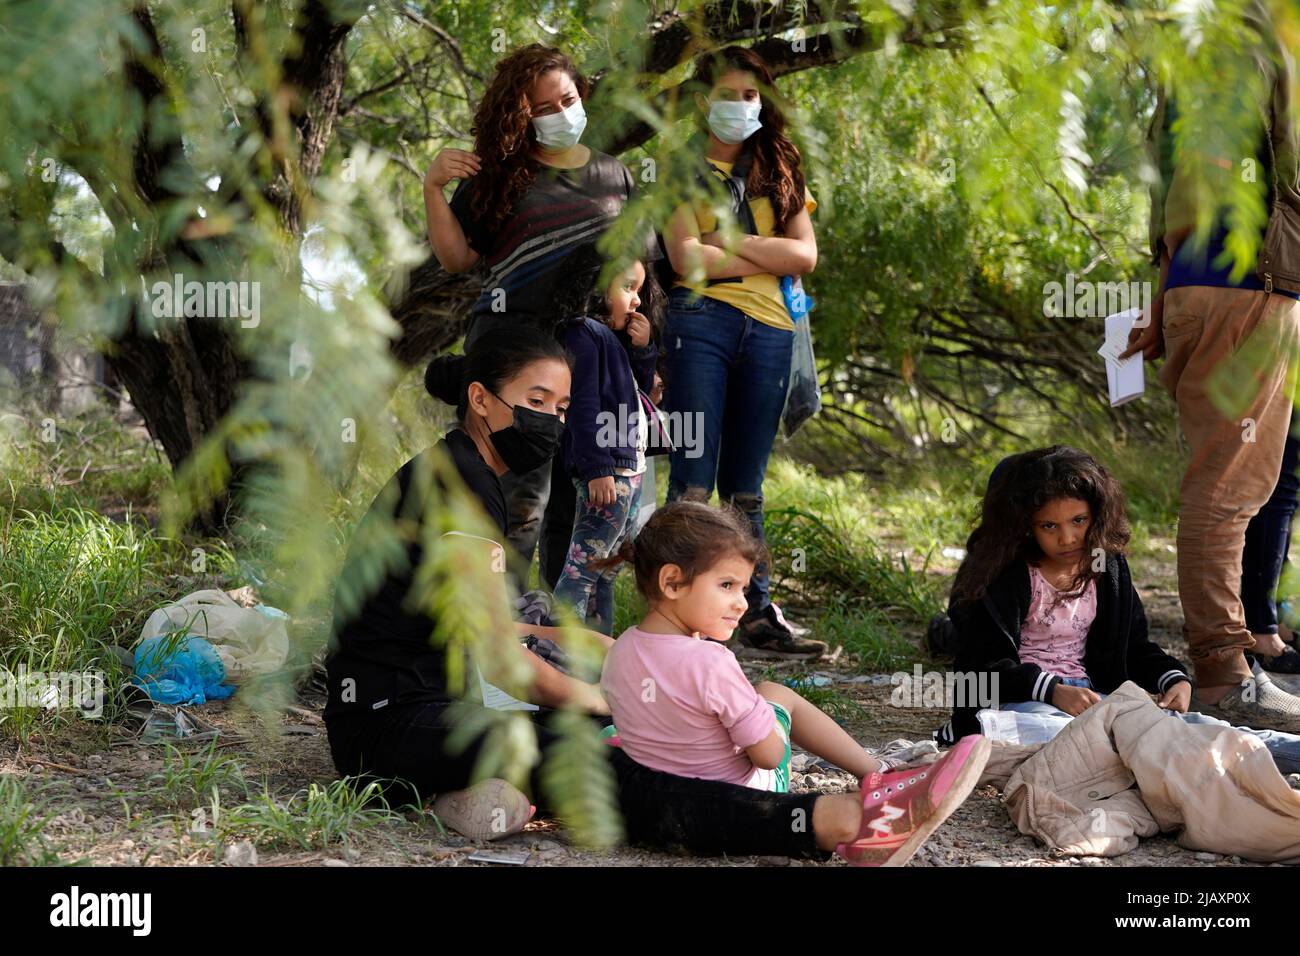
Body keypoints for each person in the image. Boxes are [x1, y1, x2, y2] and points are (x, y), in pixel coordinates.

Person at [324, 329, 615, 839]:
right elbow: (502, 662)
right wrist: (600, 698)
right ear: (480, 399)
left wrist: (581, 642)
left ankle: (465, 794)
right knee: (591, 751)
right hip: (387, 725)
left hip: (422, 704)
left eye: (563, 408)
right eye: (537, 400)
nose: (552, 421)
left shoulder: (468, 469)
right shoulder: (462, 484)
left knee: (583, 716)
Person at [598, 500, 992, 866]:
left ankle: (879, 772)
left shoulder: (620, 650)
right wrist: (762, 725)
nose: (742, 603)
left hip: (655, 793)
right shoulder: (711, 661)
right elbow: (768, 757)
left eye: (744, 589)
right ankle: (878, 775)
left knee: (763, 695)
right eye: (727, 586)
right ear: (672, 582)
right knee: (779, 695)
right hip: (749, 795)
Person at [1122, 0, 1300, 730]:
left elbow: (1166, 189)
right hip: (1249, 288)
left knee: (1226, 477)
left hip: (1196, 285)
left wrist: (1164, 299)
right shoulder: (1271, 48)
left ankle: (1234, 651)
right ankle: (1224, 670)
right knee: (1229, 486)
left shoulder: (1190, 56)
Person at [424, 43, 654, 580]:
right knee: (518, 495)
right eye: (542, 108)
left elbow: (636, 276)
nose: (559, 114)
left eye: (566, 100)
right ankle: (489, 626)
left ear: (583, 95)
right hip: (512, 349)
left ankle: (554, 631)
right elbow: (456, 258)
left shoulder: (615, 176)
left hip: (590, 358)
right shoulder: (497, 178)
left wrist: (644, 358)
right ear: (521, 115)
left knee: (581, 499)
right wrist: (434, 186)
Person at [935, 446, 1300, 775]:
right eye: (1049, 526)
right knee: (1083, 740)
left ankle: (1277, 751)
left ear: (1098, 515)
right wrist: (1052, 691)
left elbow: (1133, 646)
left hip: (1097, 702)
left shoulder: (1105, 565)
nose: (1067, 538)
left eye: (1079, 521)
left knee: (1198, 730)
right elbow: (982, 667)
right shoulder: (1004, 573)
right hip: (1023, 707)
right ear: (1024, 527)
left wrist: (1172, 678)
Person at [660, 46, 824, 657]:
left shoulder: (780, 165)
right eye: (727, 95)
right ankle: (678, 614)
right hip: (698, 320)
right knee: (694, 480)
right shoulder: (678, 166)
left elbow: (804, 256)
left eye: (750, 96)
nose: (740, 106)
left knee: (746, 488)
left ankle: (753, 614)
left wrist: (728, 242)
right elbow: (683, 260)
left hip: (773, 328)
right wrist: (766, 248)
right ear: (704, 102)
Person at [551, 249, 659, 633]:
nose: (637, 300)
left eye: (639, 290)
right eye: (628, 287)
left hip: (629, 470)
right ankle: (558, 654)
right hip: (608, 471)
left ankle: (598, 656)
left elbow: (641, 393)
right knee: (581, 570)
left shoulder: (609, 341)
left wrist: (643, 351)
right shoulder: (581, 334)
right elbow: (581, 405)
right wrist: (597, 468)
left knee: (604, 573)